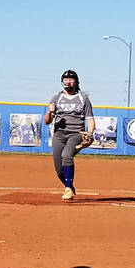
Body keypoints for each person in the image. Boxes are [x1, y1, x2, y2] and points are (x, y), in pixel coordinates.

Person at [43, 69, 96, 201]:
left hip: (76, 133)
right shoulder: (56, 98)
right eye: (65, 79)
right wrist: (50, 112)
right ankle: (70, 187)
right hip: (59, 134)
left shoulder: (83, 99)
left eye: (71, 79)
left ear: (76, 82)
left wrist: (89, 134)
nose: (68, 81)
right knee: (59, 170)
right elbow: (46, 121)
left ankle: (67, 189)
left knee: (67, 156)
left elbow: (90, 119)